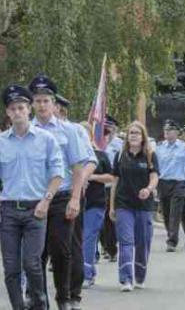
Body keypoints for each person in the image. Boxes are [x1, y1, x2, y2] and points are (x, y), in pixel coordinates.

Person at [0, 85, 64, 310]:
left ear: (28, 110)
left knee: (32, 264)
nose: (17, 112)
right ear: (8, 113)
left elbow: (57, 173)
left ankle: (40, 304)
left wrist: (46, 200)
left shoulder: (46, 139)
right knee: (11, 267)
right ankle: (18, 307)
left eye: (21, 107)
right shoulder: (0, 142)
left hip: (36, 209)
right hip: (9, 210)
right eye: (13, 108)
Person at [29, 74, 89, 310]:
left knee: (61, 251)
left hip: (62, 198)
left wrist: (75, 198)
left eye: (46, 100)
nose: (42, 105)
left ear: (54, 104)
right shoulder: (26, 129)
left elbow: (77, 167)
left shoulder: (69, 131)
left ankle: (63, 298)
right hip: (34, 198)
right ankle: (38, 298)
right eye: (38, 100)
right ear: (32, 103)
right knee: (36, 254)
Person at [54, 94, 98, 307]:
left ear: (60, 110)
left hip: (68, 195)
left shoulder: (75, 131)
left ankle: (73, 293)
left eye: (52, 105)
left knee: (71, 246)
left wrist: (79, 184)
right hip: (40, 196)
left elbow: (90, 161)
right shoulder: (34, 129)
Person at [109, 121, 159, 291]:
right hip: (124, 205)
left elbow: (154, 177)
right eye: (131, 133)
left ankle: (139, 276)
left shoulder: (150, 155)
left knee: (142, 242)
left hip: (144, 206)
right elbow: (114, 181)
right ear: (127, 136)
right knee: (126, 242)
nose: (134, 136)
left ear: (143, 136)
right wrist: (112, 206)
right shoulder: (120, 156)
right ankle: (126, 279)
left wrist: (149, 189)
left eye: (137, 133)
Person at [156, 120, 185, 252]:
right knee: (166, 212)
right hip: (163, 182)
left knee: (175, 213)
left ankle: (172, 241)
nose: (167, 133)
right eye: (165, 131)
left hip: (178, 183)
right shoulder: (159, 147)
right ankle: (171, 233)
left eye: (170, 131)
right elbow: (155, 167)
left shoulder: (184, 148)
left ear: (176, 133)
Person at [81, 123, 113, 288]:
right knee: (78, 240)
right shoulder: (72, 156)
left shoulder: (100, 155)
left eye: (84, 134)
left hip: (95, 203)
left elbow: (111, 177)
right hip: (75, 203)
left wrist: (92, 177)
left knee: (88, 238)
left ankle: (85, 275)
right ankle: (89, 271)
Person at [101, 115, 123, 262]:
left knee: (110, 218)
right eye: (106, 126)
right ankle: (105, 246)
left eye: (111, 126)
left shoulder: (120, 144)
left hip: (112, 185)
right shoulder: (97, 143)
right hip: (98, 185)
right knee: (100, 219)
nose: (109, 129)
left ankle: (111, 249)